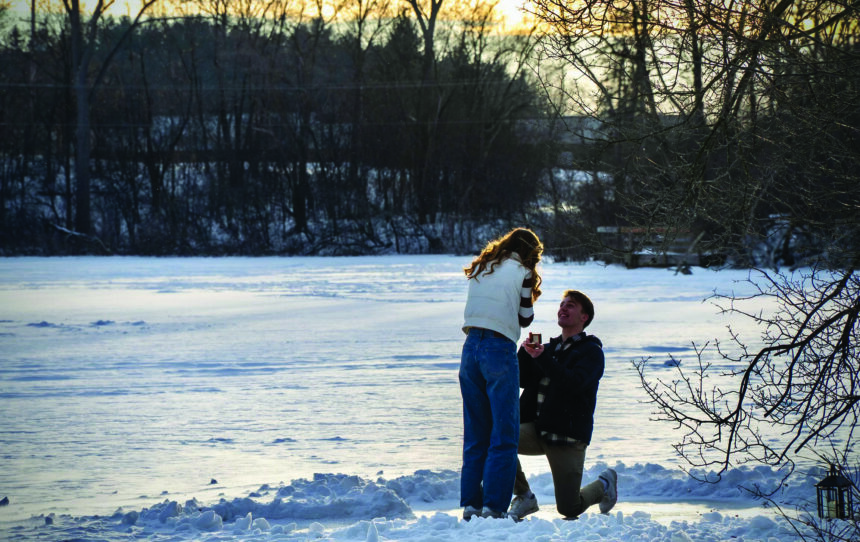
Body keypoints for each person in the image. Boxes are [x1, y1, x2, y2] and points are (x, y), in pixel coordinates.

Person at [507, 289, 617, 521]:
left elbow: (573, 384)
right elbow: (521, 381)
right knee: (497, 438)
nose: (563, 308)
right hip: (536, 430)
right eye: (562, 304)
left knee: (569, 508)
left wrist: (541, 358)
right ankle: (524, 495)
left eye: (571, 305)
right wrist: (526, 354)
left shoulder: (592, 353)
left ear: (584, 317)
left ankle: (604, 484)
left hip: (566, 435)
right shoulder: (547, 349)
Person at [459, 228, 544, 520]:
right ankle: (494, 507)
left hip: (470, 348)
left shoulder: (483, 264)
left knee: (476, 433)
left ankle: (471, 506)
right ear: (531, 253)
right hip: (498, 347)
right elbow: (525, 317)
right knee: (504, 435)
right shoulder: (523, 271)